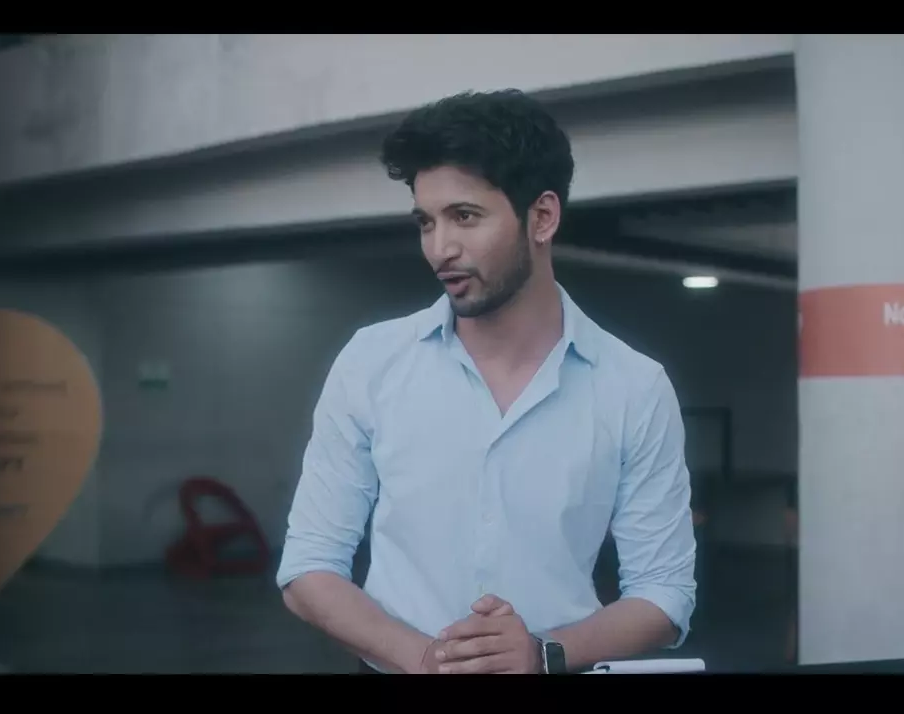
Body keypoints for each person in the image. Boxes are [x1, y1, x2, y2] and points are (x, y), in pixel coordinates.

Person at [275, 89, 696, 674]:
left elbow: (665, 593)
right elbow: (308, 567)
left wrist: (545, 654)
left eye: (465, 217)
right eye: (426, 222)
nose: (439, 249)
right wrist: (425, 659)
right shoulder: (371, 362)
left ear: (542, 217)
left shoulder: (634, 387)